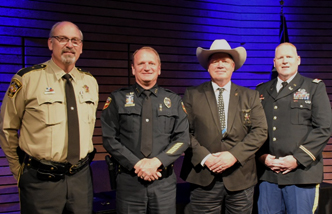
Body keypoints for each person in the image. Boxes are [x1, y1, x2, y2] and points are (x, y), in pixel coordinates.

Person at [0, 21, 99, 214]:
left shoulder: (90, 82)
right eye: (62, 39)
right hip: (40, 181)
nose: (69, 45)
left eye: (75, 40)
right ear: (50, 43)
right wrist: (19, 172)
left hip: (80, 180)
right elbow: (7, 128)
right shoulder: (27, 79)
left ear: (81, 47)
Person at [180, 39, 268, 214]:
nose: (220, 64)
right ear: (208, 66)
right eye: (215, 61)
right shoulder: (192, 95)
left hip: (241, 178)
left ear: (233, 66)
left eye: (225, 61)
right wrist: (206, 158)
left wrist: (234, 155)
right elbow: (183, 132)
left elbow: (260, 131)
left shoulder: (250, 96)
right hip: (203, 175)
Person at [101, 46, 190, 214]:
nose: (147, 67)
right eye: (141, 63)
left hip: (163, 182)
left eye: (151, 63)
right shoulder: (117, 99)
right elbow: (109, 139)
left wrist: (157, 162)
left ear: (159, 69)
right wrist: (138, 164)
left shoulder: (173, 100)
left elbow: (183, 139)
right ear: (133, 69)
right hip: (129, 182)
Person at [256, 42, 332, 214]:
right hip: (269, 174)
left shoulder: (313, 87)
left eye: (289, 57)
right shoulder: (261, 90)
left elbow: (324, 128)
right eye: (280, 58)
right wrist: (262, 157)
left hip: (302, 173)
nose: (285, 61)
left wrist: (297, 159)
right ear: (274, 62)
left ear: (298, 60)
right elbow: (256, 129)